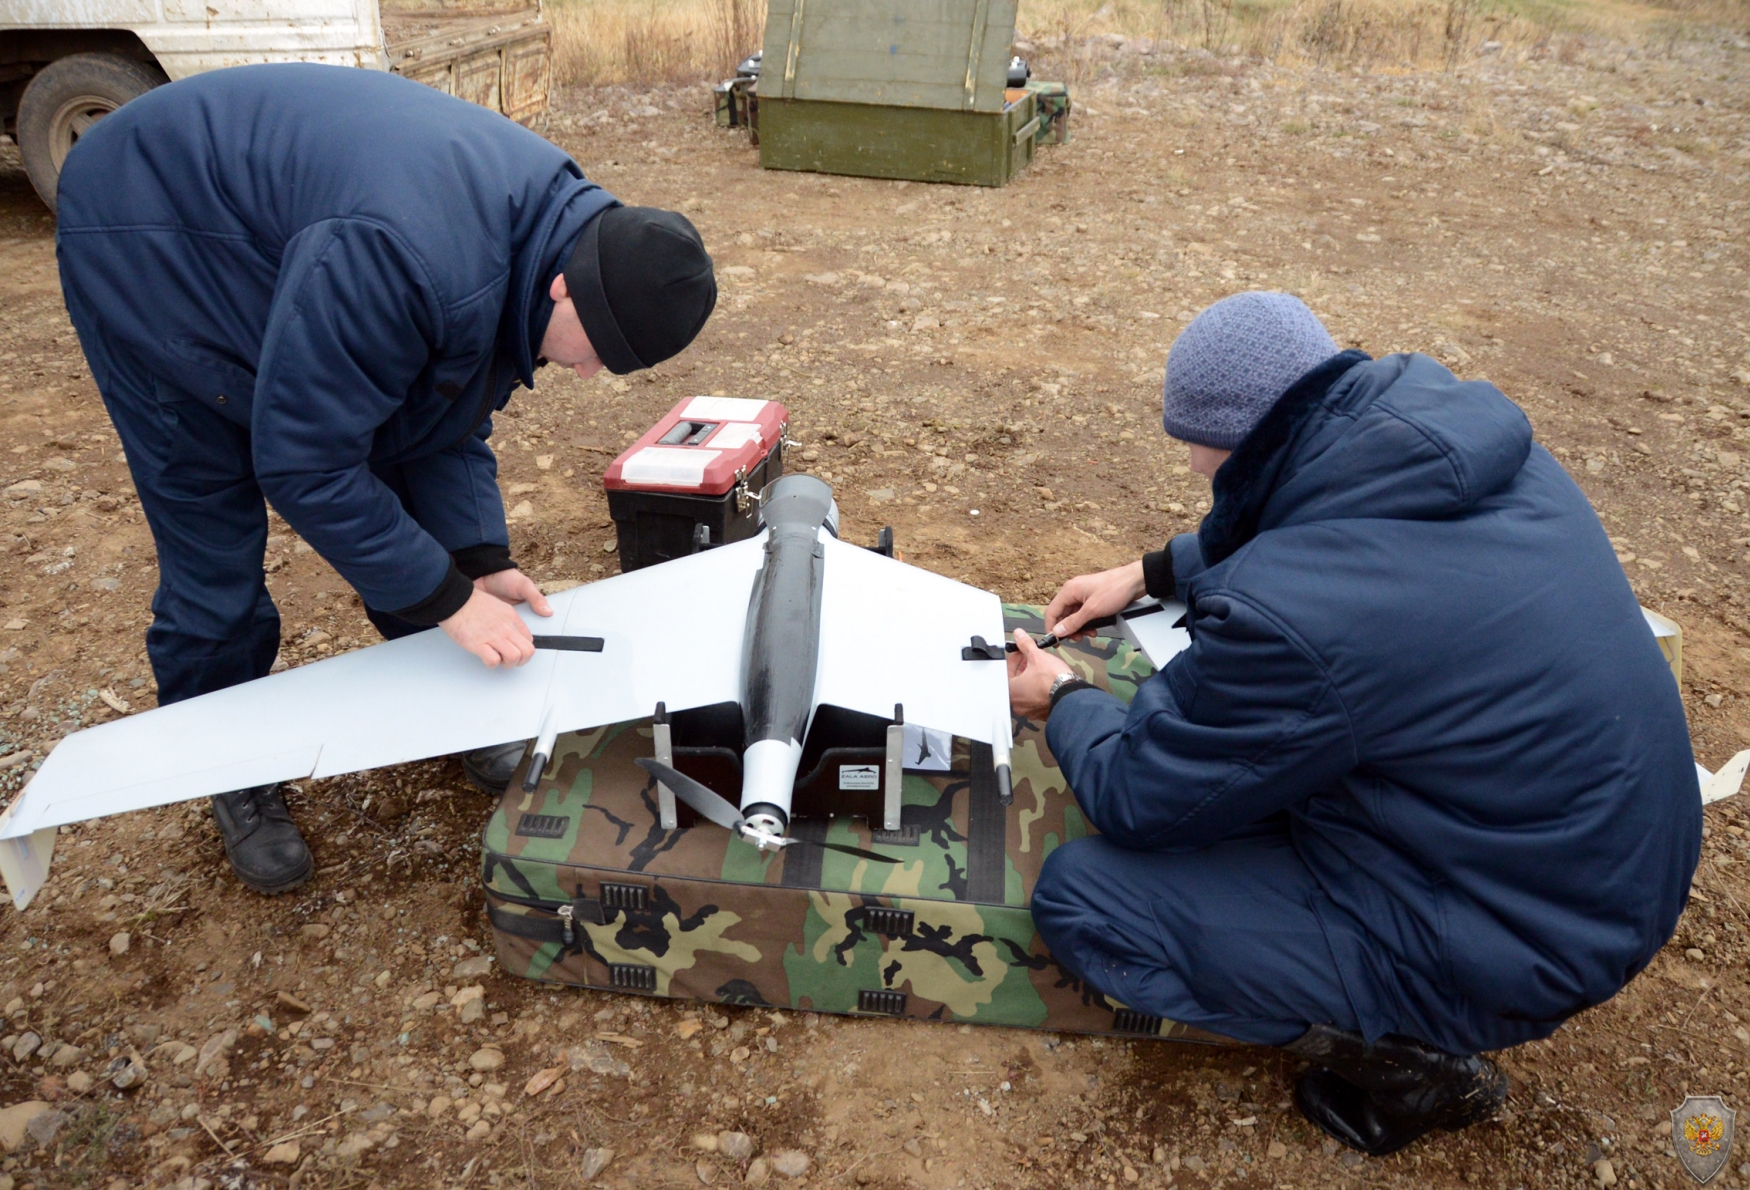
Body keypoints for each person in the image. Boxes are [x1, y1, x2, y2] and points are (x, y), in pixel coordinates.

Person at [1007, 292, 1698, 1156]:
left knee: (1088, 897)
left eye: (1194, 441)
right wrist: (1152, 570)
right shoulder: (1457, 449)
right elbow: (1335, 524)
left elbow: (1143, 796)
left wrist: (1063, 700)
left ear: (1246, 443)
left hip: (1524, 934)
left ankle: (1412, 1062)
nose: (1190, 463)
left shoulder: (1295, 616)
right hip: (1600, 864)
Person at [55, 64, 716, 896]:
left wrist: (473, 560)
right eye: (598, 353)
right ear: (565, 286)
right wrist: (448, 600)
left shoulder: (542, 232)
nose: (589, 376)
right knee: (212, 528)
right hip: (148, 237)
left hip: (301, 240)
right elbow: (303, 462)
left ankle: (443, 696)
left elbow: (442, 408)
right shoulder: (411, 257)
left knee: (391, 455)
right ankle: (228, 763)